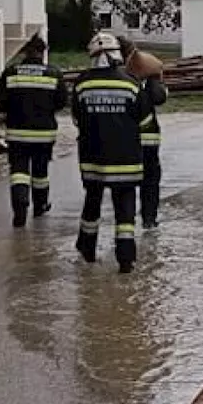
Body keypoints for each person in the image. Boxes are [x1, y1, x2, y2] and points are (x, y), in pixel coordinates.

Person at [73, 32, 152, 273]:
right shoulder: (131, 83)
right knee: (125, 209)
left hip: (93, 159)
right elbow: (146, 120)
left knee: (92, 204)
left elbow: (77, 120)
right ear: (117, 54)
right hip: (126, 160)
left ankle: (87, 250)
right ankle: (126, 259)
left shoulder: (82, 83)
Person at [0, 34, 68, 227]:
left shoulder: (11, 73)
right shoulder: (53, 73)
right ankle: (40, 205)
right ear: (43, 52)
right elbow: (61, 102)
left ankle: (20, 207)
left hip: (17, 133)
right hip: (44, 134)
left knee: (19, 171)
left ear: (24, 51)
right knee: (40, 172)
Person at [118, 36, 169, 229]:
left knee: (125, 183)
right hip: (148, 139)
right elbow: (159, 98)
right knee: (150, 181)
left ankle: (126, 221)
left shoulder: (112, 74)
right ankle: (149, 220)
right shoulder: (147, 71)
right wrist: (158, 81)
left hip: (122, 139)